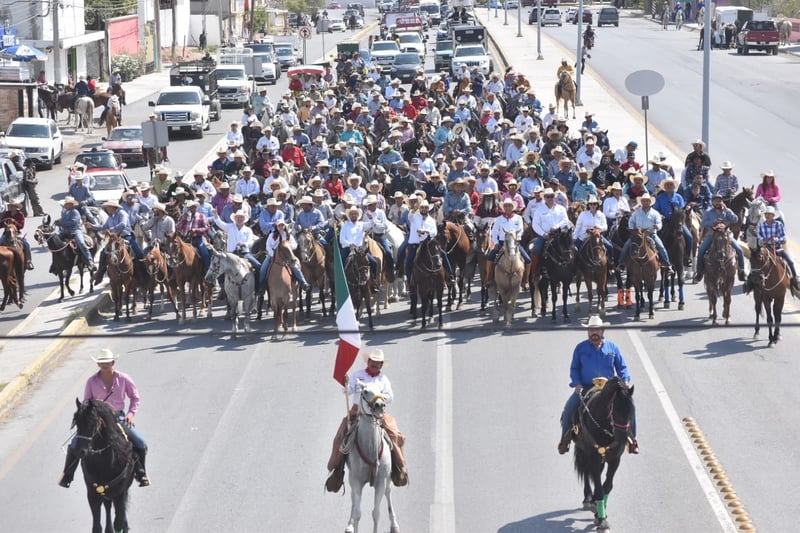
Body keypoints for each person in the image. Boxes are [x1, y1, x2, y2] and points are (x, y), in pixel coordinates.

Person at [58, 348, 150, 488]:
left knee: (140, 442)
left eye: (107, 362)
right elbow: (86, 401)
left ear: (113, 362)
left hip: (118, 418)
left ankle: (141, 473)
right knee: (74, 444)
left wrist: (131, 414)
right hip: (97, 419)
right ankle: (68, 475)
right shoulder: (91, 382)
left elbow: (135, 397)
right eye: (101, 362)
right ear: (98, 364)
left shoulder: (124, 379)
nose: (105, 365)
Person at [326, 348, 408, 492]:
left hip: (377, 414)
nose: (374, 365)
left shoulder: (383, 380)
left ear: (381, 365)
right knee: (339, 438)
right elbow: (347, 391)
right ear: (368, 361)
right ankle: (336, 471)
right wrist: (345, 383)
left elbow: (391, 397)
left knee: (396, 436)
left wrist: (379, 398)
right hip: (356, 413)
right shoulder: (357, 375)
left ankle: (399, 468)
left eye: (378, 363)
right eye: (372, 362)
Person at [557, 315, 638, 455]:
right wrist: (577, 384)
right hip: (586, 387)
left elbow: (622, 367)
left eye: (597, 330)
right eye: (591, 330)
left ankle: (632, 440)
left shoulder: (612, 348)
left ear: (603, 331)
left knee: (630, 407)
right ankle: (565, 439)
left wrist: (625, 380)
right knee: (569, 407)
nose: (594, 333)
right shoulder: (580, 348)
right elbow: (574, 369)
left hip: (609, 388)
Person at [693, 193, 746, 282]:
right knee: (701, 250)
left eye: (719, 201)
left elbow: (735, 219)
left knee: (739, 250)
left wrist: (727, 211)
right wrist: (714, 222)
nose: (718, 203)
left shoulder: (727, 211)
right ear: (712, 202)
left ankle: (741, 271)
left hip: (726, 235)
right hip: (712, 235)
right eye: (716, 201)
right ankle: (699, 272)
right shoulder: (708, 212)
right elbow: (703, 224)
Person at [617, 193, 674, 274]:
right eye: (643, 201)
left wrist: (656, 226)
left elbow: (659, 223)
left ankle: (667, 265)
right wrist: (633, 229)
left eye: (647, 201)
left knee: (661, 246)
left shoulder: (655, 213)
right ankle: (621, 264)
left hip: (651, 233)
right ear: (641, 202)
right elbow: (631, 221)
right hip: (638, 234)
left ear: (650, 202)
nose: (645, 202)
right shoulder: (636, 212)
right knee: (627, 245)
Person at [757, 206, 800, 289]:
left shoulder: (778, 224)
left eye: (769, 214)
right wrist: (764, 240)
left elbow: (783, 236)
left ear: (773, 216)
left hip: (777, 248)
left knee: (790, 262)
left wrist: (776, 239)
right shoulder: (761, 225)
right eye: (766, 214)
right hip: (766, 249)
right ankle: (751, 281)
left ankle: (795, 278)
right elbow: (759, 236)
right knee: (757, 263)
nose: (767, 216)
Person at [55, 197, 95, 269]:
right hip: (65, 231)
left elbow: (73, 222)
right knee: (55, 242)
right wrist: (57, 222)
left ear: (71, 205)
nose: (65, 205)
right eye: (65, 204)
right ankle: (55, 262)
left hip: (75, 231)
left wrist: (62, 223)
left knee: (81, 243)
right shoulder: (65, 212)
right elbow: (63, 220)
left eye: (66, 204)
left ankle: (89, 260)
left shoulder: (75, 212)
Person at [0, 201, 34, 270]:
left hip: (16, 233)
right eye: (11, 206)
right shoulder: (6, 214)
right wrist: (4, 221)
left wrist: (15, 222)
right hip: (6, 233)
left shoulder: (20, 214)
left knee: (27, 244)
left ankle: (28, 261)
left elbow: (21, 226)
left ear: (16, 207)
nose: (11, 207)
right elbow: (1, 224)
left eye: (13, 206)